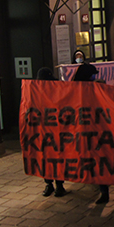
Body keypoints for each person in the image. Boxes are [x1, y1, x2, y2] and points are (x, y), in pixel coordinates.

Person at [36, 67, 67, 198]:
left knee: (51, 158)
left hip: (52, 131)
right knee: (49, 158)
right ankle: (53, 184)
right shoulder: (37, 92)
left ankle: (55, 185)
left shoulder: (53, 90)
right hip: (45, 131)